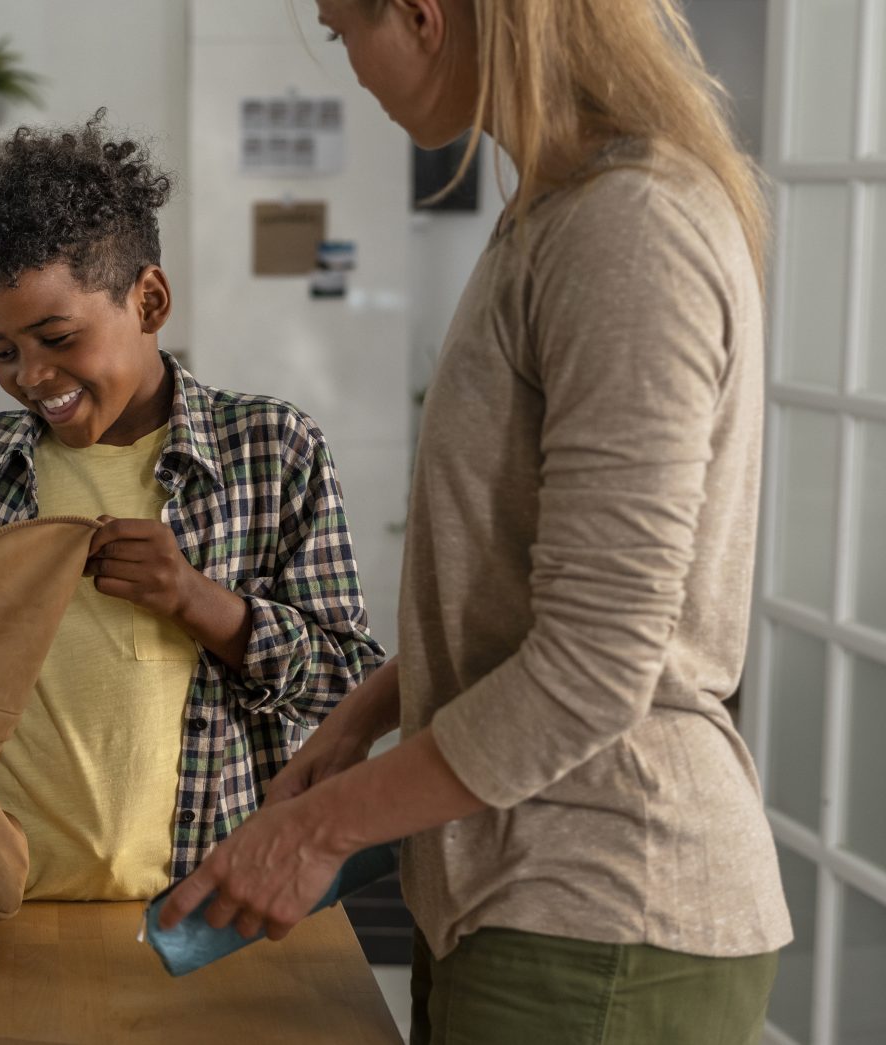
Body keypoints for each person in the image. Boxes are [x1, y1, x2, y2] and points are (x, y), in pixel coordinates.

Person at [159, 2, 791, 1042]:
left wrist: (314, 831)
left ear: (421, 15)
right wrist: (363, 715)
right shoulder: (559, 212)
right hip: (519, 899)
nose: (345, 63)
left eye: (338, 28)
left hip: (597, 903)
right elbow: (526, 589)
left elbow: (595, 662)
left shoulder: (627, 227)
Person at [0, 111, 386, 901]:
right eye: (2, 351)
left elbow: (351, 686)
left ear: (151, 300)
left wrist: (202, 603)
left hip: (203, 901)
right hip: (2, 895)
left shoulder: (275, 451)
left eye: (57, 337)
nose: (30, 375)